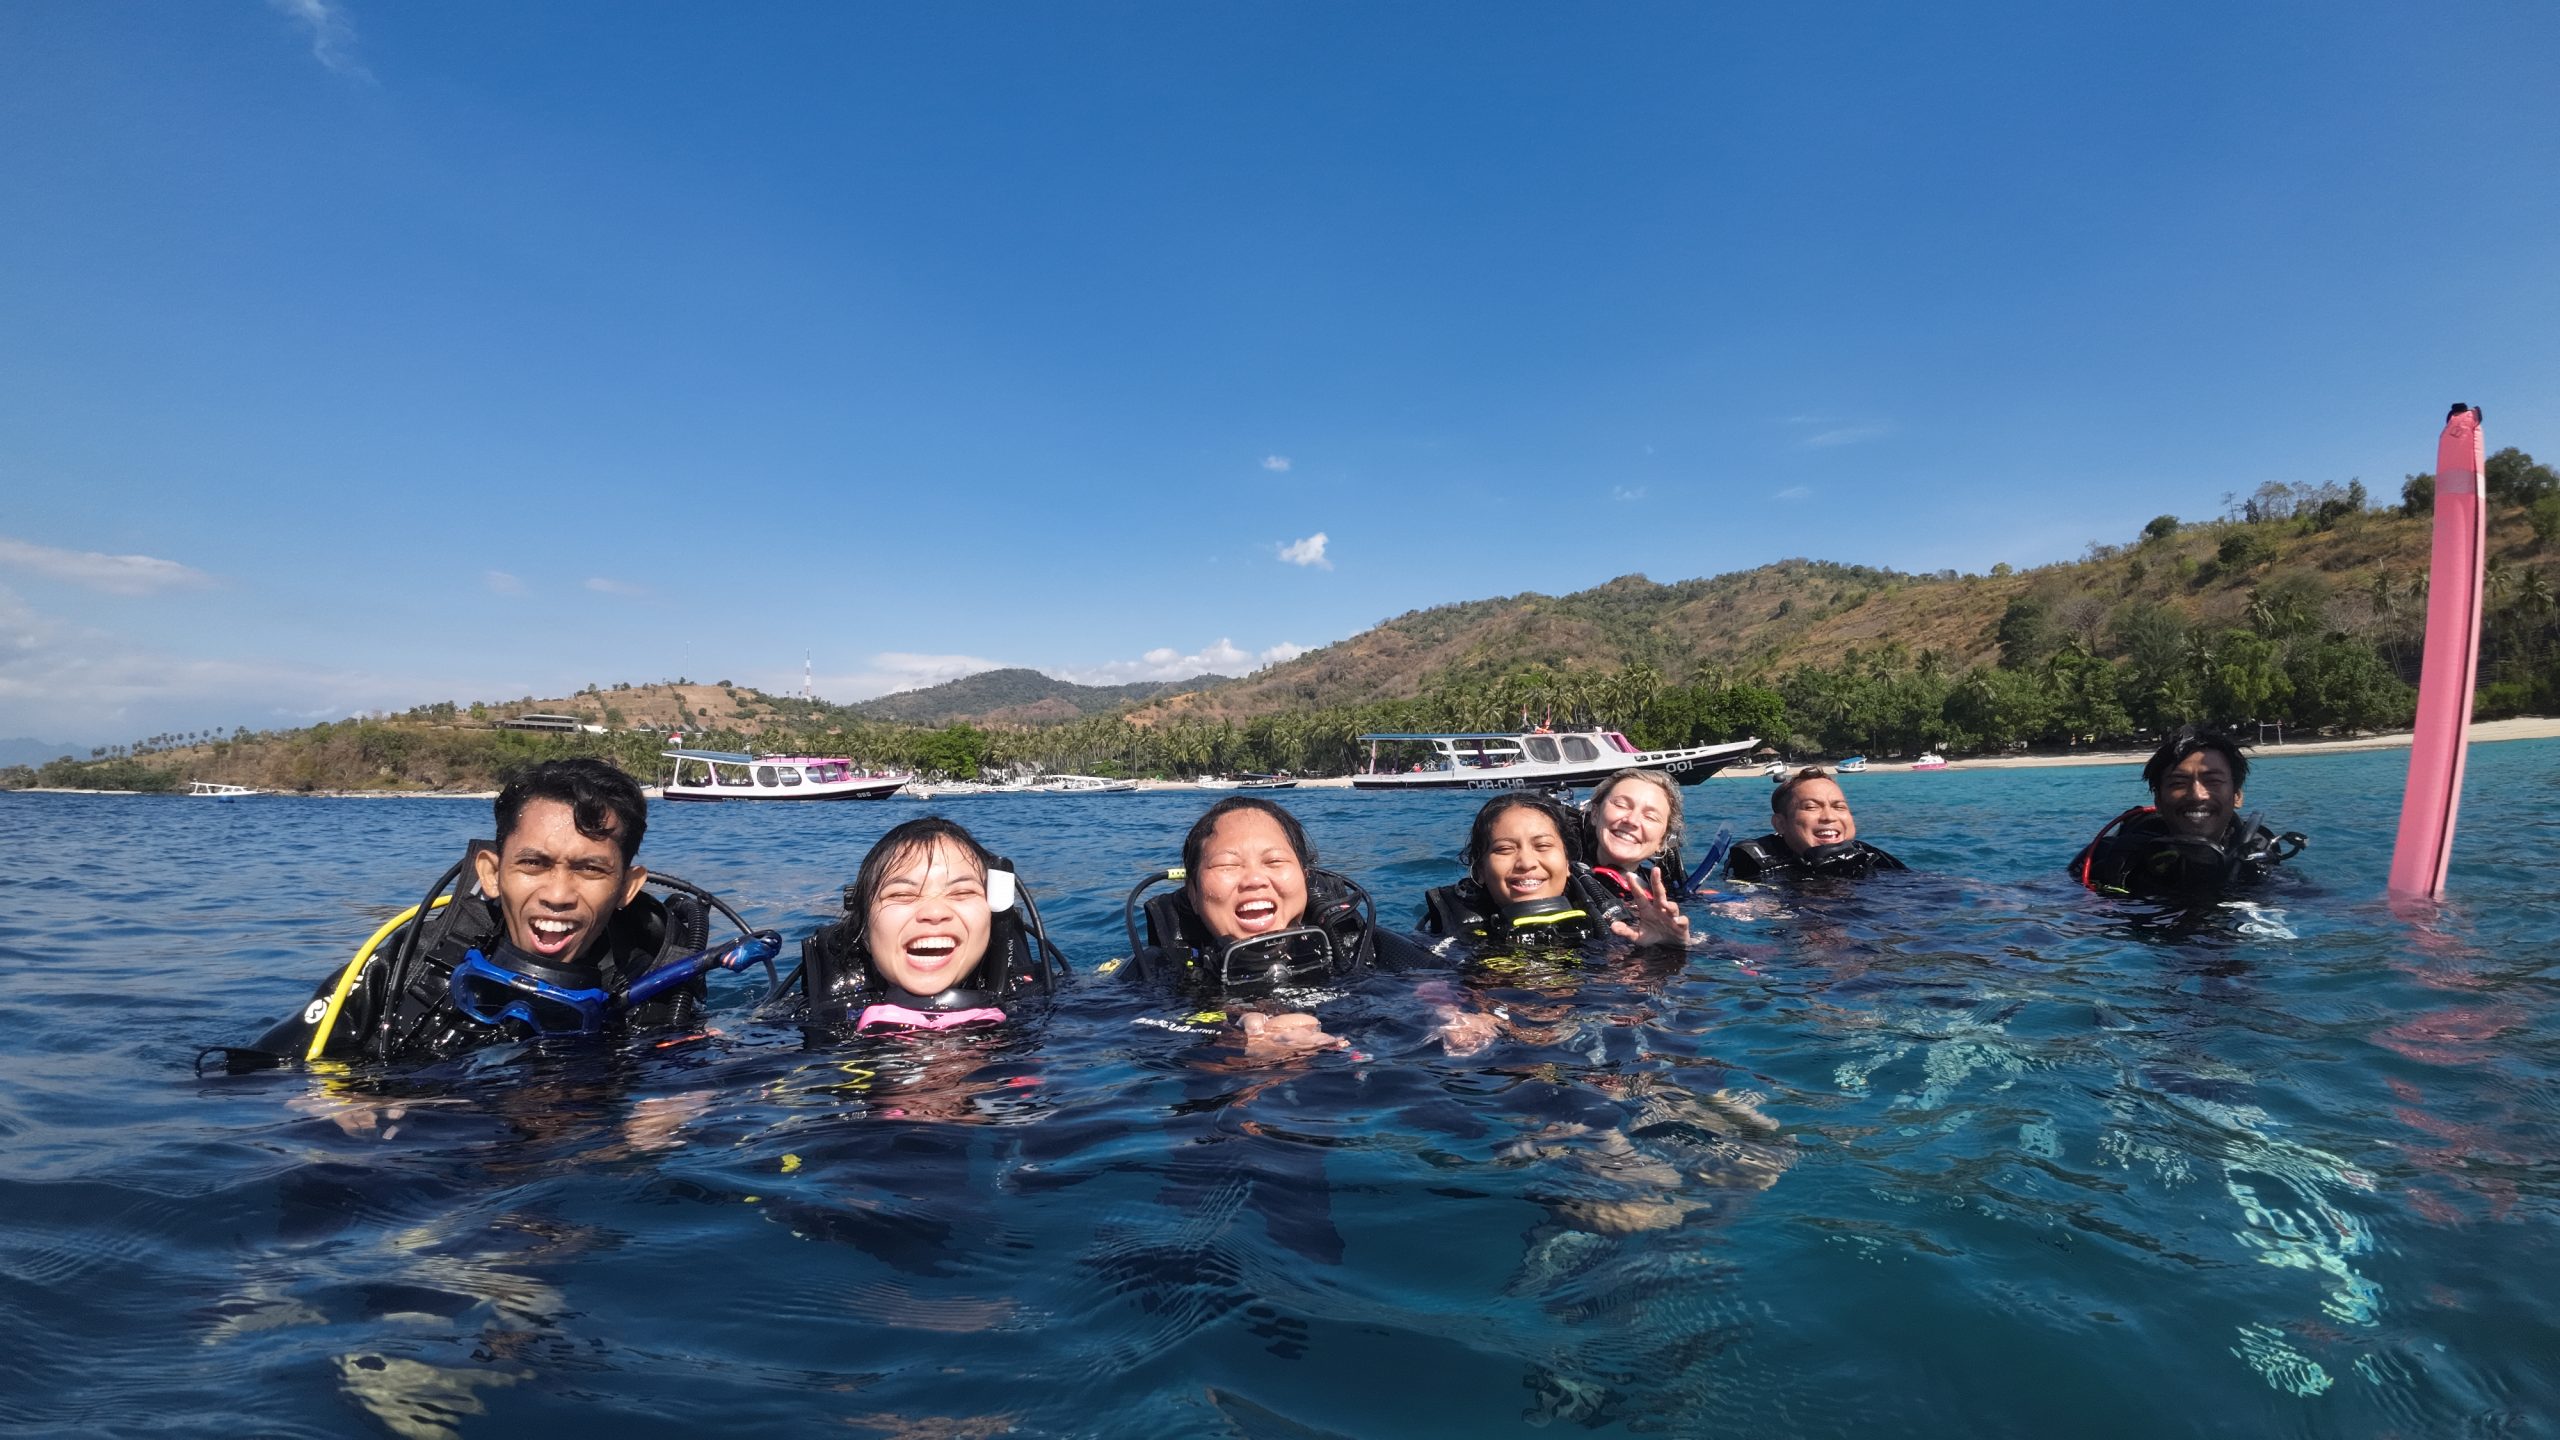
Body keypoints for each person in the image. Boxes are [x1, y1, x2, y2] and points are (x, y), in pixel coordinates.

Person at [216, 758, 768, 1069]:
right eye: (533, 863)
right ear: (489, 870)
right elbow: (249, 1076)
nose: (558, 893)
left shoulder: (662, 987)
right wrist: (331, 1104)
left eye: (590, 870)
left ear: (629, 886)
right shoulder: (408, 970)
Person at [1120, 797, 1427, 1052]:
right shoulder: (1154, 974)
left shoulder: (1367, 951)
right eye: (1227, 864)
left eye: (1275, 862)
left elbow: (1446, 997)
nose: (1254, 880)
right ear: (1193, 893)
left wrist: (1459, 1018)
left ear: (1306, 878)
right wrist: (1228, 1041)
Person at [791, 816, 1068, 1031]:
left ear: (993, 920)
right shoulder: (798, 1024)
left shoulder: (1053, 1008)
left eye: (961, 892)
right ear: (864, 930)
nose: (934, 912)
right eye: (902, 894)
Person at [1419, 792, 1686, 949]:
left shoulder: (1617, 930)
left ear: (1568, 862)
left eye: (1543, 846)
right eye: (1504, 849)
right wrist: (1450, 1009)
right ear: (1479, 870)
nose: (1526, 862)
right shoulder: (1451, 946)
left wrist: (1669, 947)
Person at [2071, 725, 2305, 898]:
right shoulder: (2109, 860)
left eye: (2212, 781)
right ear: (2158, 800)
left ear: (2237, 796)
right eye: (2178, 783)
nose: (2197, 795)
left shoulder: (2257, 864)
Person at [1725, 768, 1907, 882]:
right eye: (1811, 807)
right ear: (1780, 824)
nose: (1829, 816)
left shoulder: (1870, 858)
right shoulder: (1758, 870)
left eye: (1839, 807)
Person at [1582, 768, 1696, 909]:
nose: (1632, 820)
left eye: (1650, 817)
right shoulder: (1561, 878)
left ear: (1663, 841)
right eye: (1621, 805)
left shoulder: (1663, 894)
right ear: (1594, 813)